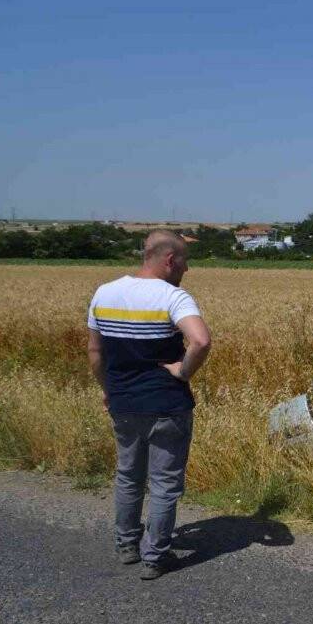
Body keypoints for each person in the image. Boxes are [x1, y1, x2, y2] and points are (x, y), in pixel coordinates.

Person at [86, 229, 212, 580]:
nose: (187, 269)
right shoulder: (173, 297)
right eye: (185, 261)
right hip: (166, 405)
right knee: (164, 483)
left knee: (128, 476)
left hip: (123, 404)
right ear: (170, 259)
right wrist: (183, 372)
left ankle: (127, 545)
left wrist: (108, 389)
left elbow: (95, 352)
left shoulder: (105, 292)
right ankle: (154, 556)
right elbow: (201, 341)